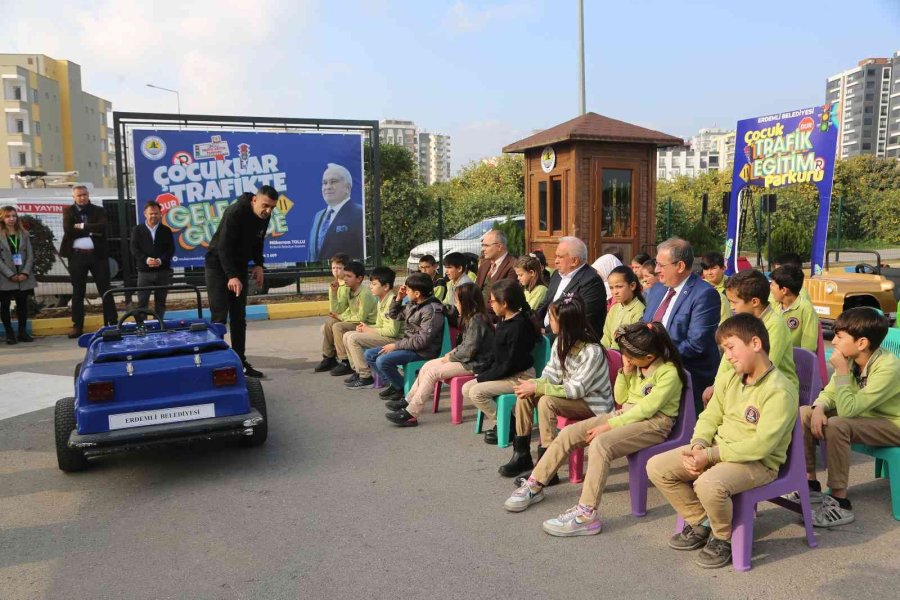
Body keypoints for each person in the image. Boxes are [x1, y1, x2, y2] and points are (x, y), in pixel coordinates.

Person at [505, 321, 686, 538]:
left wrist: (609, 425)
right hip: (625, 415)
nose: (625, 357)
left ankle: (586, 514)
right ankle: (535, 485)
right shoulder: (638, 366)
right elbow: (621, 398)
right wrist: (625, 372)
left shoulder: (669, 373)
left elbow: (647, 410)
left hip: (654, 423)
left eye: (628, 355)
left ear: (649, 357)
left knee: (601, 444)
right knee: (570, 433)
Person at [647, 314, 797, 569]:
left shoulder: (779, 390)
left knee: (708, 484)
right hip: (717, 450)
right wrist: (698, 445)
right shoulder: (729, 378)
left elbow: (761, 446)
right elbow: (710, 416)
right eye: (724, 350)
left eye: (731, 347)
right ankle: (702, 521)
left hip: (758, 463)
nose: (727, 356)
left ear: (755, 344)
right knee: (656, 467)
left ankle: (722, 537)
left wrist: (712, 456)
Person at [799, 308, 900, 528]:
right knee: (804, 412)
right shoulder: (852, 358)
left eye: (839, 336)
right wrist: (818, 408)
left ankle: (839, 501)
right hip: (864, 417)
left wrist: (843, 371)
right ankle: (810, 484)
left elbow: (847, 411)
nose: (833, 341)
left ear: (862, 343)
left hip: (893, 424)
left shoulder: (888, 367)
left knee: (837, 424)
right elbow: (831, 392)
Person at [500, 294, 612, 479]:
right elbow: (551, 374)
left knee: (546, 401)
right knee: (525, 393)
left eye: (551, 318)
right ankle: (521, 455)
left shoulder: (592, 351)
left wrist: (539, 389)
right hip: (570, 397)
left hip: (592, 404)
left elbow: (577, 390)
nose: (548, 321)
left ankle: (548, 468)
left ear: (566, 322)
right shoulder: (560, 342)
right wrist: (533, 384)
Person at [385, 283, 494, 427]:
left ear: (466, 302)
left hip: (476, 364)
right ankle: (408, 400)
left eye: (457, 301)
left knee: (433, 373)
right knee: (427, 365)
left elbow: (469, 351)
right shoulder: (472, 318)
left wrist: (451, 357)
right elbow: (466, 345)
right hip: (466, 359)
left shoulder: (477, 320)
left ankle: (411, 413)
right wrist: (451, 353)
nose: (455, 305)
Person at [205, 187, 278, 378]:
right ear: (254, 200)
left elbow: (258, 241)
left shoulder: (264, 215)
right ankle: (216, 362)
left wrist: (259, 264)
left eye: (272, 208)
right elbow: (223, 246)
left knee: (239, 316)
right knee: (219, 316)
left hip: (238, 268)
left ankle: (240, 361)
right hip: (217, 267)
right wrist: (231, 276)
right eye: (265, 206)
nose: (268, 211)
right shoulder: (235, 212)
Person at [643, 238, 720, 411]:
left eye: (662, 266)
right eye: (656, 264)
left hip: (687, 374)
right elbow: (644, 325)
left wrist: (657, 357)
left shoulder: (704, 295)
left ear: (680, 266)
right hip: (652, 369)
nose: (656, 270)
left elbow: (696, 344)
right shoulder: (657, 289)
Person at [701, 269, 798, 405]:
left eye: (734, 302)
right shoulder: (740, 322)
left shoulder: (776, 326)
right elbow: (726, 361)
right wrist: (716, 385)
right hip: (742, 383)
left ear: (754, 302)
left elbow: (763, 369)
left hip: (773, 391)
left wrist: (726, 388)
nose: (731, 307)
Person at [463, 279, 541, 445]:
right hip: (506, 373)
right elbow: (497, 356)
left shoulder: (518, 327)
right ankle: (503, 420)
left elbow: (510, 364)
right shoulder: (504, 321)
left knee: (476, 392)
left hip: (519, 377)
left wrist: (484, 377)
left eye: (492, 300)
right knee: (466, 388)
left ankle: (507, 424)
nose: (490, 304)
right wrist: (482, 373)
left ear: (504, 303)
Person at [364, 272, 444, 403]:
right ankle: (398, 385)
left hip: (423, 352)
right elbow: (394, 315)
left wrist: (396, 346)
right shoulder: (413, 304)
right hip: (409, 346)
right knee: (369, 355)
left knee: (382, 360)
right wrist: (398, 298)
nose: (404, 290)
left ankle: (401, 388)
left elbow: (422, 341)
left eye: (407, 289)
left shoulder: (431, 310)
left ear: (417, 293)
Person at [60, 185, 117, 338]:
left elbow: (102, 227)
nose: (82, 197)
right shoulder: (68, 211)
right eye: (79, 195)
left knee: (105, 289)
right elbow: (69, 230)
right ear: (74, 197)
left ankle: (111, 322)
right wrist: (92, 230)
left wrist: (83, 226)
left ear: (88, 194)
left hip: (97, 256)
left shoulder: (99, 210)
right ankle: (77, 325)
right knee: (78, 291)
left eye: (84, 194)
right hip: (77, 256)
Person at [343, 266, 404, 389]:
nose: (370, 286)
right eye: (371, 283)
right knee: (347, 335)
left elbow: (392, 332)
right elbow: (380, 325)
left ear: (386, 286)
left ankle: (365, 376)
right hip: (385, 336)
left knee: (353, 338)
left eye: (374, 284)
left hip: (396, 340)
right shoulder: (380, 299)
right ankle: (358, 371)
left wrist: (369, 330)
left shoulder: (392, 301)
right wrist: (367, 327)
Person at [536, 236, 607, 339]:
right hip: (545, 333)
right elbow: (546, 302)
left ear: (574, 261)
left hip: (571, 340)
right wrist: (532, 323)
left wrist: (545, 332)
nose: (555, 261)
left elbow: (579, 318)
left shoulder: (591, 282)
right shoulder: (557, 274)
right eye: (556, 256)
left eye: (560, 257)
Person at [317, 261, 378, 376]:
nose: (345, 279)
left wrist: (340, 317)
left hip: (367, 324)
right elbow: (337, 310)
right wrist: (333, 293)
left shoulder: (364, 293)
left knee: (338, 326)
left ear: (359, 279)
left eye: (349, 276)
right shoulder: (349, 289)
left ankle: (346, 362)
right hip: (355, 321)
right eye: (344, 275)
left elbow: (361, 317)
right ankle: (329, 357)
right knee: (329, 323)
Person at [308, 163, 364, 262]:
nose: (328, 187)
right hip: (322, 273)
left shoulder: (359, 214)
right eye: (324, 183)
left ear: (347, 187)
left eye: (333, 182)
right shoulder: (318, 216)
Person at [130, 200, 175, 320]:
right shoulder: (137, 230)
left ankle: (158, 324)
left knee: (160, 302)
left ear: (160, 214)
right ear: (145, 214)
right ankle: (142, 326)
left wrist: (160, 260)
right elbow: (134, 249)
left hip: (162, 271)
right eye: (151, 213)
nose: (153, 216)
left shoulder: (166, 230)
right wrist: (146, 260)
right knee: (142, 302)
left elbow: (170, 249)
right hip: (144, 272)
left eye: (156, 213)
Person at [0, 206, 36, 344]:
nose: (11, 219)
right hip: (5, 277)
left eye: (14, 216)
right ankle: (10, 334)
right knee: (5, 306)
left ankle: (22, 333)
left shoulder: (24, 234)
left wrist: (25, 272)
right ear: (2, 218)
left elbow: (30, 255)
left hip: (23, 276)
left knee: (22, 305)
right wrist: (10, 275)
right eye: (8, 216)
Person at [770, 265, 818, 352]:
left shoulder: (806, 309)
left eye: (772, 285)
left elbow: (809, 345)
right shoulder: (773, 304)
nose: (770, 288)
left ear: (784, 290)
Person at [601, 266, 645, 350]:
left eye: (619, 287)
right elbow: (606, 337)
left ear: (632, 286)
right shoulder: (614, 309)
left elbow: (633, 343)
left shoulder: (639, 310)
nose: (615, 292)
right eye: (611, 288)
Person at [474, 229, 517, 308]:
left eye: (486, 245)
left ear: (499, 247)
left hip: (495, 315)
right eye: (482, 245)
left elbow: (506, 298)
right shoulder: (484, 265)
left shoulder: (513, 266)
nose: (482, 249)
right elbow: (476, 290)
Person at [701, 251, 730, 324]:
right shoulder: (699, 287)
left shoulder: (733, 285)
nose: (709, 273)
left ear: (723, 268)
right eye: (706, 269)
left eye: (713, 268)